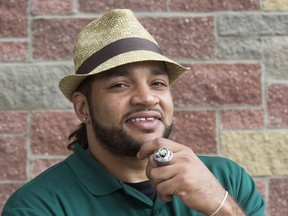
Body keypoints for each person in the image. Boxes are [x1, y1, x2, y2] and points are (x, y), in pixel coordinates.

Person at [2, 9, 265, 216]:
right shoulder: (36, 207)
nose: (147, 97)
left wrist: (221, 207)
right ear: (83, 107)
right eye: (120, 85)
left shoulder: (227, 179)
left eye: (158, 83)